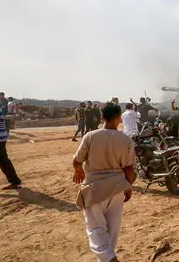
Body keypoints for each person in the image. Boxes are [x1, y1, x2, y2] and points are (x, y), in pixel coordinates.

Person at [72, 103, 136, 262]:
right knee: (112, 231)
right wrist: (128, 186)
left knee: (96, 229)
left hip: (95, 188)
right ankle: (109, 257)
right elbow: (129, 169)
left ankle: (109, 259)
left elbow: (76, 161)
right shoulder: (126, 140)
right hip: (117, 189)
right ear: (119, 119)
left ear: (101, 118)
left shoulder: (91, 136)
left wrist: (79, 171)